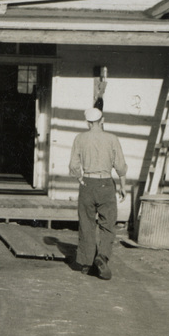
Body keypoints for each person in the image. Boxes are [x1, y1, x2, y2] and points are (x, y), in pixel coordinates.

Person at [68, 107, 127, 279]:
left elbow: (73, 165)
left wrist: (80, 179)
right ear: (103, 120)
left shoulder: (79, 139)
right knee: (108, 224)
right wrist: (123, 187)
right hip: (106, 183)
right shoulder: (112, 139)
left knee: (86, 224)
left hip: (87, 183)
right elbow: (121, 167)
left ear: (87, 122)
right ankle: (102, 257)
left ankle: (87, 263)